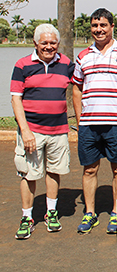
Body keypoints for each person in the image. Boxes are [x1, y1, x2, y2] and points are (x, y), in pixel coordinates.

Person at [10, 24, 74, 239]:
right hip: (32, 131)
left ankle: (51, 213)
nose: (49, 47)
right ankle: (27, 217)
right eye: (44, 43)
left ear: (58, 43)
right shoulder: (22, 65)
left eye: (52, 43)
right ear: (35, 43)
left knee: (54, 171)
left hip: (58, 130)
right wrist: (25, 131)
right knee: (29, 174)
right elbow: (16, 99)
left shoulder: (66, 64)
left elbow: (81, 87)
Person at [72, 8, 117, 234]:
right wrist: (80, 119)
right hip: (89, 124)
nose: (99, 30)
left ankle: (116, 213)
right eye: (95, 26)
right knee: (89, 169)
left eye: (103, 25)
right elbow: (77, 89)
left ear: (112, 27)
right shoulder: (83, 56)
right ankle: (90, 213)